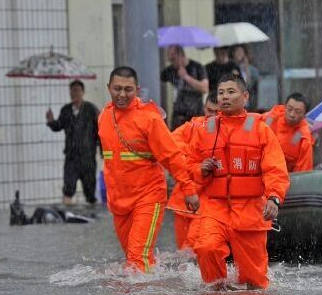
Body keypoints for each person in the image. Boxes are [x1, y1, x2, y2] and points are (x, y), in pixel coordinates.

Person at [187, 74, 289, 290]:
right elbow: (189, 165)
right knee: (206, 247)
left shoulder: (261, 130)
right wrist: (201, 169)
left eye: (231, 92)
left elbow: (275, 169)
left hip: (251, 209)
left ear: (245, 96)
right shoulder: (204, 130)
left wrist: (274, 197)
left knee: (255, 282)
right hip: (215, 207)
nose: (224, 97)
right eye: (221, 93)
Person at [99, 66, 200, 272]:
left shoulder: (149, 118)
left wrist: (189, 190)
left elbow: (171, 156)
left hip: (148, 196)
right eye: (117, 88)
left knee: (137, 259)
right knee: (133, 259)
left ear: (137, 89)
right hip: (119, 203)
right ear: (108, 88)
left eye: (128, 89)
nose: (122, 94)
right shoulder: (104, 117)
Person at [166, 93, 219, 250]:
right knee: (183, 253)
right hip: (183, 200)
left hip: (209, 203)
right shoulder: (193, 126)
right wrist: (193, 159)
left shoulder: (229, 134)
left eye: (217, 112)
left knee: (192, 248)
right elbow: (170, 146)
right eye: (210, 111)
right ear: (204, 108)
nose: (213, 116)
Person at [46, 80, 100, 205]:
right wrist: (51, 121)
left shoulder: (91, 109)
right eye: (72, 91)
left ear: (83, 92)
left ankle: (93, 215)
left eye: (77, 90)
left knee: (90, 192)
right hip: (71, 157)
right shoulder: (66, 110)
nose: (74, 93)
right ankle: (67, 214)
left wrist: (105, 153)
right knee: (68, 188)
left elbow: (101, 130)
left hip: (88, 157)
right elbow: (58, 126)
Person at [262, 92, 315, 172]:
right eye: (289, 109)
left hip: (283, 178)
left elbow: (303, 172)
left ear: (304, 115)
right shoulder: (270, 117)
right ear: (285, 106)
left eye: (298, 112)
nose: (292, 114)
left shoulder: (304, 138)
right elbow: (249, 129)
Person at [160, 45, 209, 130]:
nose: (172, 63)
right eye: (170, 60)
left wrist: (186, 77)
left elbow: (204, 88)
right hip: (179, 116)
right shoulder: (171, 70)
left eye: (174, 59)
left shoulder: (197, 67)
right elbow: (158, 78)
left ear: (181, 54)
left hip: (196, 115)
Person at [231, 44, 260, 111]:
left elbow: (252, 86)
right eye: (236, 51)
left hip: (249, 103)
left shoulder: (252, 70)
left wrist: (247, 71)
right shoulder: (231, 68)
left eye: (240, 51)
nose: (238, 54)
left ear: (244, 53)